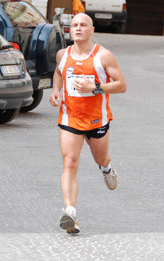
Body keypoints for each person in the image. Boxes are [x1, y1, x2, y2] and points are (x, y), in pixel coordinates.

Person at [49, 13, 127, 235]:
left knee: (100, 158)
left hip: (96, 120)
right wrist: (56, 91)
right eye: (74, 25)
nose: (78, 28)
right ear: (69, 30)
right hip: (69, 118)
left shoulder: (103, 56)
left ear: (92, 30)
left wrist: (95, 89)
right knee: (70, 163)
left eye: (83, 25)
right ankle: (70, 213)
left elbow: (121, 85)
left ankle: (106, 168)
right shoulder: (63, 55)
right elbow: (58, 73)